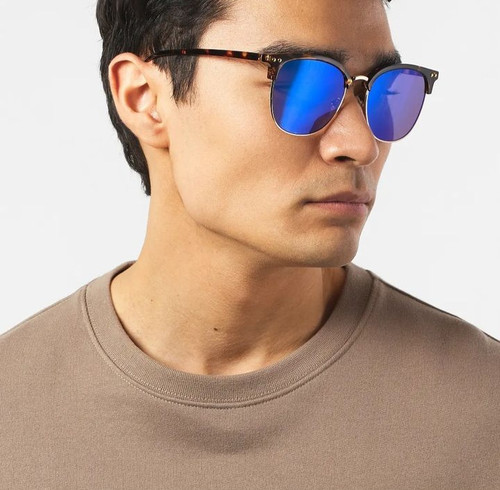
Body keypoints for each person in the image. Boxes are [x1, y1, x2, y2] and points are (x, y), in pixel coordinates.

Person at [1, 0, 498, 488]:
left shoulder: (481, 412)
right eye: (300, 84)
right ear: (143, 96)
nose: (360, 144)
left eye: (387, 90)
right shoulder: (14, 411)